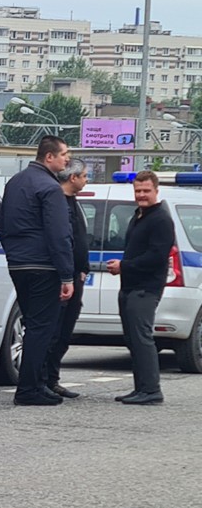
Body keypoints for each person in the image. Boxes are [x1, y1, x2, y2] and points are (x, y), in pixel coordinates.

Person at [0, 136, 74, 406]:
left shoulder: (15, 182)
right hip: (44, 265)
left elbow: (3, 224)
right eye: (64, 154)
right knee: (42, 328)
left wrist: (12, 255)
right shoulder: (50, 188)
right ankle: (29, 388)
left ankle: (38, 384)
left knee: (33, 324)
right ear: (49, 157)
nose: (68, 159)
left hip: (18, 264)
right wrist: (67, 275)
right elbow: (59, 234)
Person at [106, 170, 175, 406]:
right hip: (131, 287)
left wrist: (124, 266)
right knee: (132, 339)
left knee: (142, 338)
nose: (142, 195)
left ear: (156, 191)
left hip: (145, 289)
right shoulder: (140, 215)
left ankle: (151, 390)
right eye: (138, 191)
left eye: (146, 191)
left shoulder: (160, 219)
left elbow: (156, 257)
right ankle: (141, 388)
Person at [43, 159, 90, 398]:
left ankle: (53, 378)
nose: (86, 179)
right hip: (63, 277)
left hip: (75, 275)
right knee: (54, 329)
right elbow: (62, 241)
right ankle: (44, 380)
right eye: (84, 176)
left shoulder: (74, 202)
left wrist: (83, 268)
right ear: (73, 178)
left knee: (65, 331)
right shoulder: (59, 202)